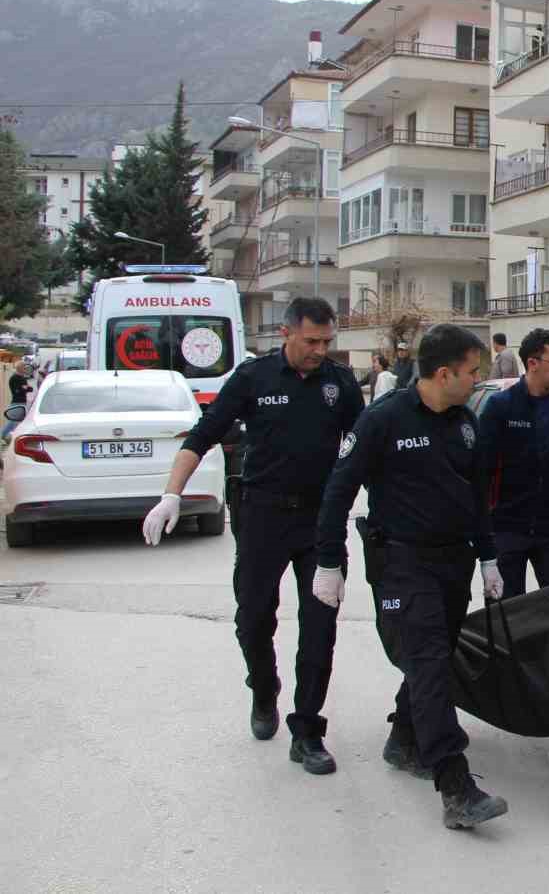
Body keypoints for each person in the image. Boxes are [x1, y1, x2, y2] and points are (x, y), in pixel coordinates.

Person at [141, 297, 363, 774]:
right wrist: (171, 495)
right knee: (255, 618)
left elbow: (361, 450)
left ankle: (306, 731)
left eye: (327, 342)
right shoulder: (253, 378)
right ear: (286, 333)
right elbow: (203, 435)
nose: (320, 351)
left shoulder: (340, 384)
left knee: (321, 626)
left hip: (320, 522)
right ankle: (264, 689)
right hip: (262, 517)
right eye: (311, 341)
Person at [313, 323, 510, 830]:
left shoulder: (466, 422)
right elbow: (338, 490)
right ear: (443, 373)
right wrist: (328, 562)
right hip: (402, 564)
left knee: (434, 660)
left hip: (453, 562)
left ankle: (404, 738)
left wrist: (488, 558)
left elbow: (476, 497)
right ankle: (455, 784)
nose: (477, 380)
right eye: (471, 372)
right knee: (428, 663)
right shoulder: (383, 420)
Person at [478, 328, 549, 596]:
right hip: (507, 529)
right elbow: (481, 471)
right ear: (532, 363)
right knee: (506, 616)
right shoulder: (501, 407)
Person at [3, 360, 34, 442]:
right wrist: (25, 388)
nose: (26, 368)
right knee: (13, 422)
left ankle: (9, 438)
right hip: (17, 403)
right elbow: (19, 390)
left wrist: (25, 388)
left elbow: (30, 389)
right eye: (24, 367)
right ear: (20, 368)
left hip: (21, 402)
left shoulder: (22, 378)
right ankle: (5, 436)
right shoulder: (15, 378)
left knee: (13, 423)